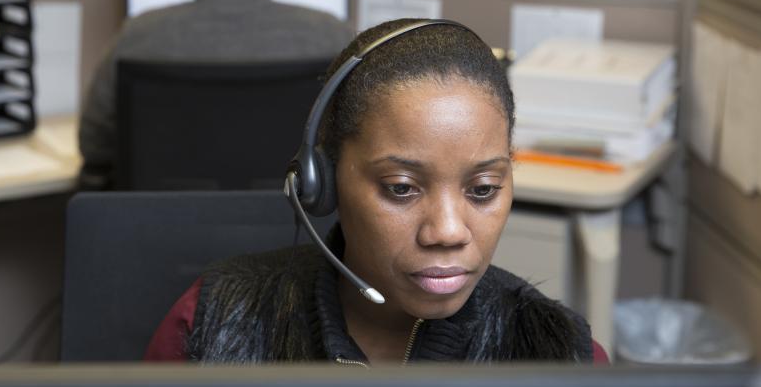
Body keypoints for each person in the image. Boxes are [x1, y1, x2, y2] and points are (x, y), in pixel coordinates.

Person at [145, 19, 608, 364]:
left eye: (483, 189)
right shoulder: (208, 324)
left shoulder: (561, 354)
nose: (447, 231)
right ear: (323, 181)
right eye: (402, 188)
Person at [78, 0, 354, 188]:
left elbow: (93, 146)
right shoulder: (334, 38)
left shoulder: (137, 39)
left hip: (169, 228)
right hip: (297, 228)